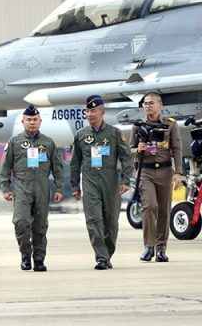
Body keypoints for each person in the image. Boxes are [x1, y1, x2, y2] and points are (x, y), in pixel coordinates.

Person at [70, 95, 133, 270]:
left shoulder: (114, 133)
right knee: (93, 219)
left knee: (111, 222)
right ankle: (101, 257)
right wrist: (75, 185)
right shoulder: (81, 135)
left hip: (110, 182)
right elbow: (75, 162)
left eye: (93, 110)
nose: (89, 114)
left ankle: (107, 254)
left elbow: (126, 158)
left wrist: (126, 180)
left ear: (102, 112)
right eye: (87, 111)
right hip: (90, 182)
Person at [0, 106, 64, 271]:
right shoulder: (15, 142)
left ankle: (39, 259)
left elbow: (58, 168)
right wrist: (5, 188)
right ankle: (25, 255)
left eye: (35, 120)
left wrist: (59, 188)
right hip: (22, 187)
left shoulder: (48, 143)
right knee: (20, 222)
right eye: (29, 120)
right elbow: (5, 167)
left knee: (40, 226)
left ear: (40, 122)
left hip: (42, 187)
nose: (32, 122)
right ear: (23, 122)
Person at [131, 92, 182, 262]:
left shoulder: (170, 124)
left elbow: (177, 149)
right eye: (145, 103)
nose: (148, 106)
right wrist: (138, 150)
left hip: (165, 171)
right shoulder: (137, 126)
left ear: (160, 104)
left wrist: (178, 172)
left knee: (164, 210)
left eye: (151, 103)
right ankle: (148, 246)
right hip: (146, 172)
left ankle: (161, 249)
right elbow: (129, 150)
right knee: (149, 206)